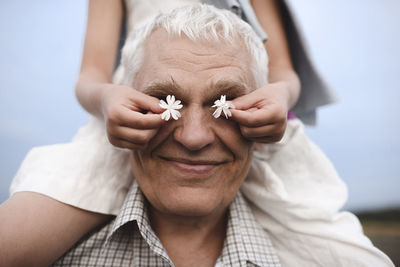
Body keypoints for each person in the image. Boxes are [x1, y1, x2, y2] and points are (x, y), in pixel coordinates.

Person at [0, 1, 393, 267]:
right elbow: (90, 75)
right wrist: (107, 100)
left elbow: (282, 71)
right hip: (132, 111)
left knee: (342, 251)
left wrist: (280, 95)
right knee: (16, 238)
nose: (193, 137)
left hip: (248, 106)